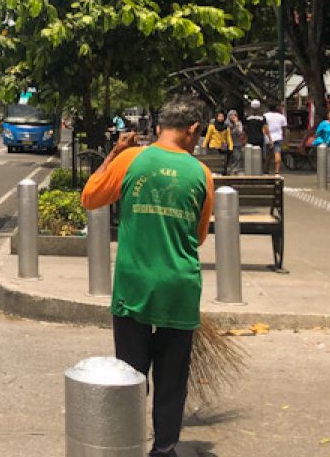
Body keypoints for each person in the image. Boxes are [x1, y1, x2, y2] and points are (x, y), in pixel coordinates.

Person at [81, 96, 214, 457]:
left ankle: (125, 443)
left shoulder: (130, 159)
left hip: (133, 286)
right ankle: (164, 448)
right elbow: (199, 235)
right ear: (193, 130)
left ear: (158, 129)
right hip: (179, 289)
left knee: (130, 376)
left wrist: (113, 153)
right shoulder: (201, 173)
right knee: (172, 380)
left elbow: (90, 197)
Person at [264, 102, 288, 175]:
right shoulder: (281, 116)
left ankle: (266, 170)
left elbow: (264, 127)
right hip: (278, 136)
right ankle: (277, 171)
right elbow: (284, 128)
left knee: (268, 155)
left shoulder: (265, 116)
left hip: (268, 137)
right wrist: (284, 135)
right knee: (277, 153)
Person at [243, 100, 267, 167]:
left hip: (250, 138)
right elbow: (265, 128)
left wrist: (244, 138)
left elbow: (245, 129)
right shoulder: (263, 118)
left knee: (250, 155)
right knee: (261, 155)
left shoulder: (247, 118)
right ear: (259, 107)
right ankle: (260, 169)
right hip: (260, 138)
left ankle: (251, 169)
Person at [225, 109, 244, 175]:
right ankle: (229, 170)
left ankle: (235, 170)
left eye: (235, 115)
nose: (233, 116)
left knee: (238, 157)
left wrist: (236, 124)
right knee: (229, 158)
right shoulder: (226, 124)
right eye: (231, 115)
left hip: (237, 143)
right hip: (228, 144)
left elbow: (240, 132)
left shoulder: (239, 123)